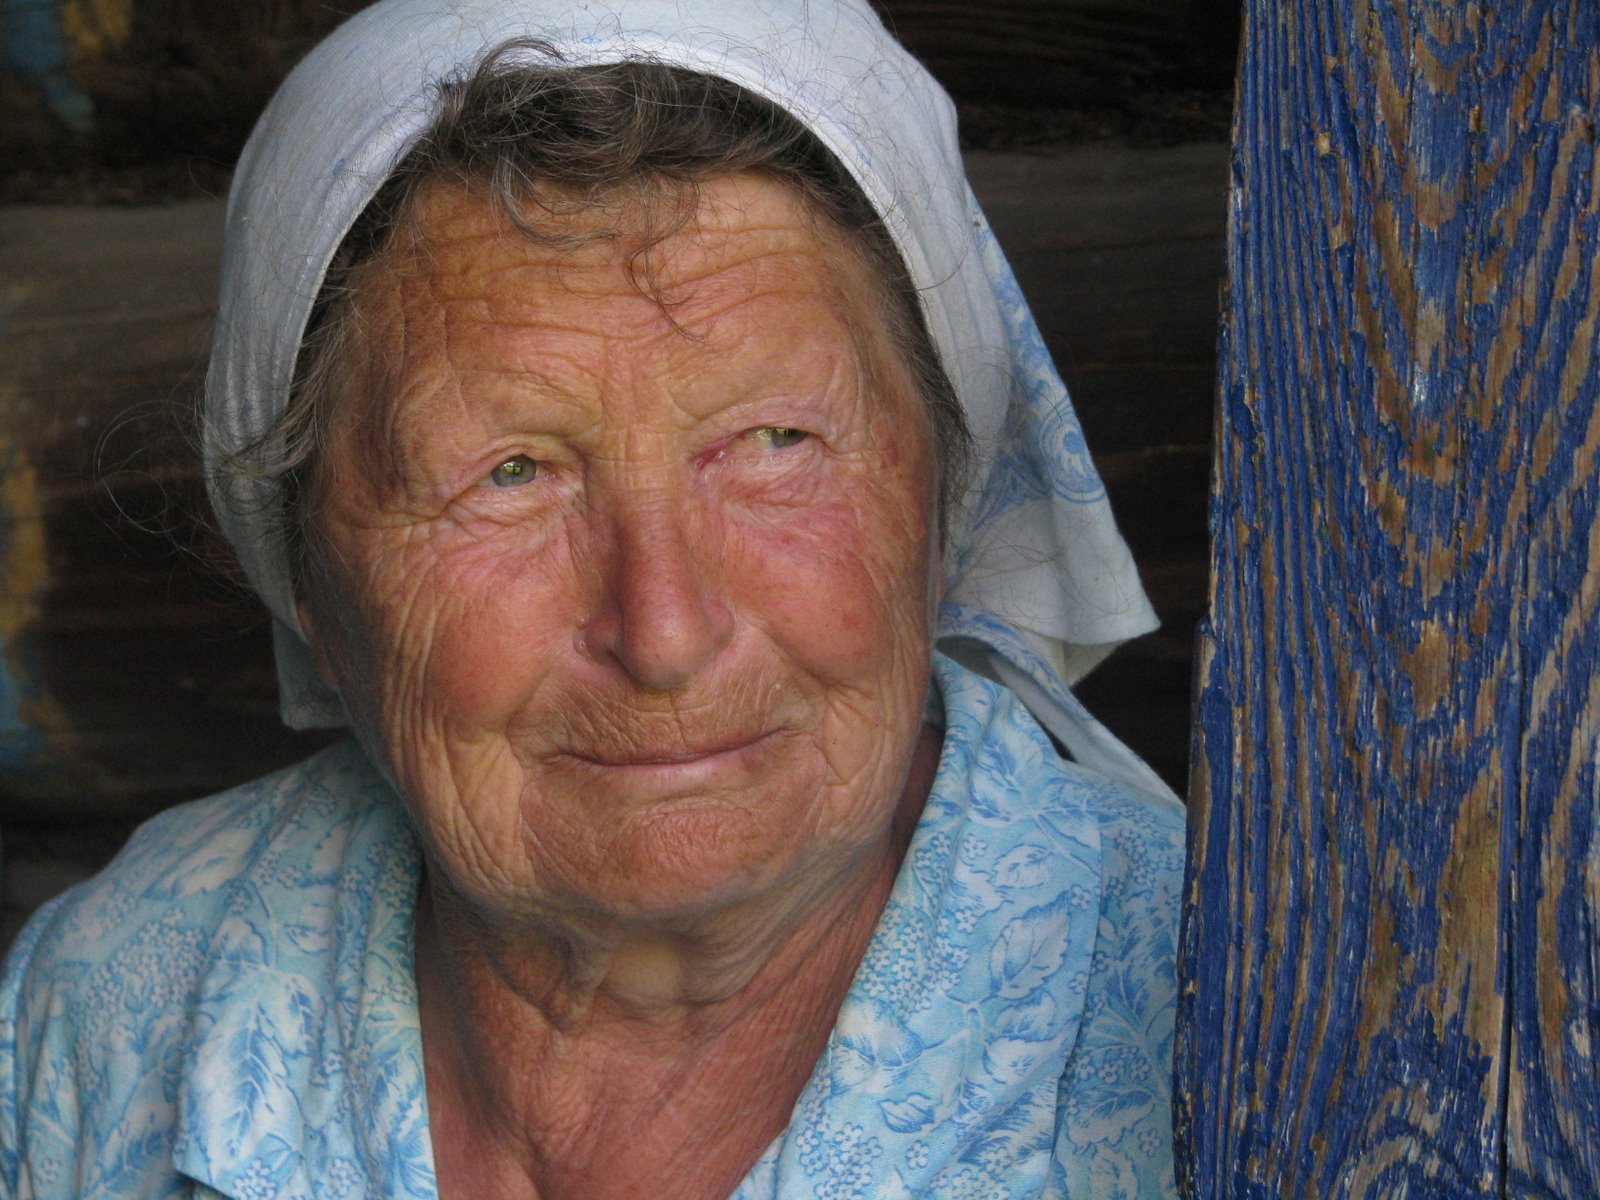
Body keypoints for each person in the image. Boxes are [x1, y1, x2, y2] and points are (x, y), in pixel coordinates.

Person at [0, 1, 1185, 1196]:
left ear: (938, 500)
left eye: (774, 440)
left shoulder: (1221, 1001)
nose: (664, 633)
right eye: (510, 472)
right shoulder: (115, 1002)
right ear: (309, 573)